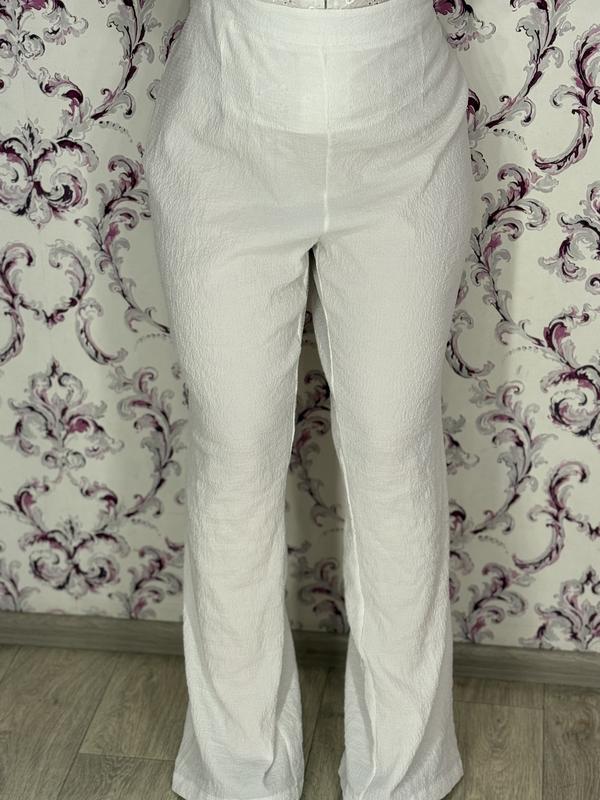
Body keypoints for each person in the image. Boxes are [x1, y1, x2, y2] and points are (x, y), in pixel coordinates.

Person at [144, 0, 473, 797]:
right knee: (234, 452)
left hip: (403, 114)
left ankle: (402, 772)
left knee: (394, 451)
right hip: (226, 107)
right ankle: (239, 771)